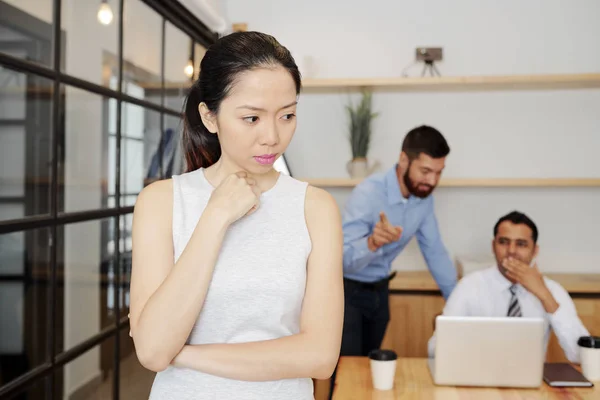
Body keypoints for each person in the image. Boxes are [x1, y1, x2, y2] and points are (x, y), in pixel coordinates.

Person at [128, 31, 344, 399]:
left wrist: (187, 355)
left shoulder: (316, 208)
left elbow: (321, 356)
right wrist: (216, 216)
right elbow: (151, 350)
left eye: (287, 115)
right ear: (210, 117)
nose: (272, 137)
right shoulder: (161, 202)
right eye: (251, 118)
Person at [340, 125, 457, 358]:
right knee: (346, 373)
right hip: (347, 293)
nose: (432, 180)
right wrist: (372, 243)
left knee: (370, 371)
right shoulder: (368, 194)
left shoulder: (423, 200)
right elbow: (341, 261)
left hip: (380, 292)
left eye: (438, 172)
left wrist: (459, 304)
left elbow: (435, 252)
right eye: (425, 171)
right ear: (404, 159)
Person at [427, 211, 590, 363]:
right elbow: (434, 350)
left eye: (521, 244)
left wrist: (545, 296)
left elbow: (581, 355)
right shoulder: (470, 286)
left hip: (533, 385)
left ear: (535, 251)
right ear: (493, 246)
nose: (511, 251)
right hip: (478, 379)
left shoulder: (551, 290)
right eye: (504, 242)